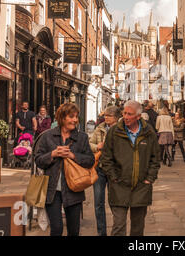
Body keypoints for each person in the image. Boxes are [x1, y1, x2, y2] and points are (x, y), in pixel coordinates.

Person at [100, 100, 161, 236]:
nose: (125, 117)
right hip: (119, 186)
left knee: (138, 229)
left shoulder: (148, 132)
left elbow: (155, 159)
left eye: (129, 114)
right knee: (118, 226)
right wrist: (114, 178)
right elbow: (106, 158)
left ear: (138, 116)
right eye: (124, 113)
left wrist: (149, 179)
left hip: (141, 187)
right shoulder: (115, 131)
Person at [34, 103, 95, 236]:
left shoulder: (82, 137)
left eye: (76, 117)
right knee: (56, 228)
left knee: (73, 230)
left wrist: (73, 156)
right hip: (52, 190)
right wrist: (53, 154)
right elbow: (38, 160)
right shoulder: (47, 136)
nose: (75, 120)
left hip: (74, 187)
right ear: (62, 118)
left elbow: (90, 160)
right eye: (71, 117)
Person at [89, 106, 122, 236]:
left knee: (115, 203)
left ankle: (117, 231)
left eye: (109, 115)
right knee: (98, 203)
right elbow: (89, 144)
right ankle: (101, 233)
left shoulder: (121, 129)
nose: (106, 118)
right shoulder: (99, 128)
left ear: (116, 117)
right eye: (105, 115)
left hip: (114, 170)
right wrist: (97, 146)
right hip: (99, 169)